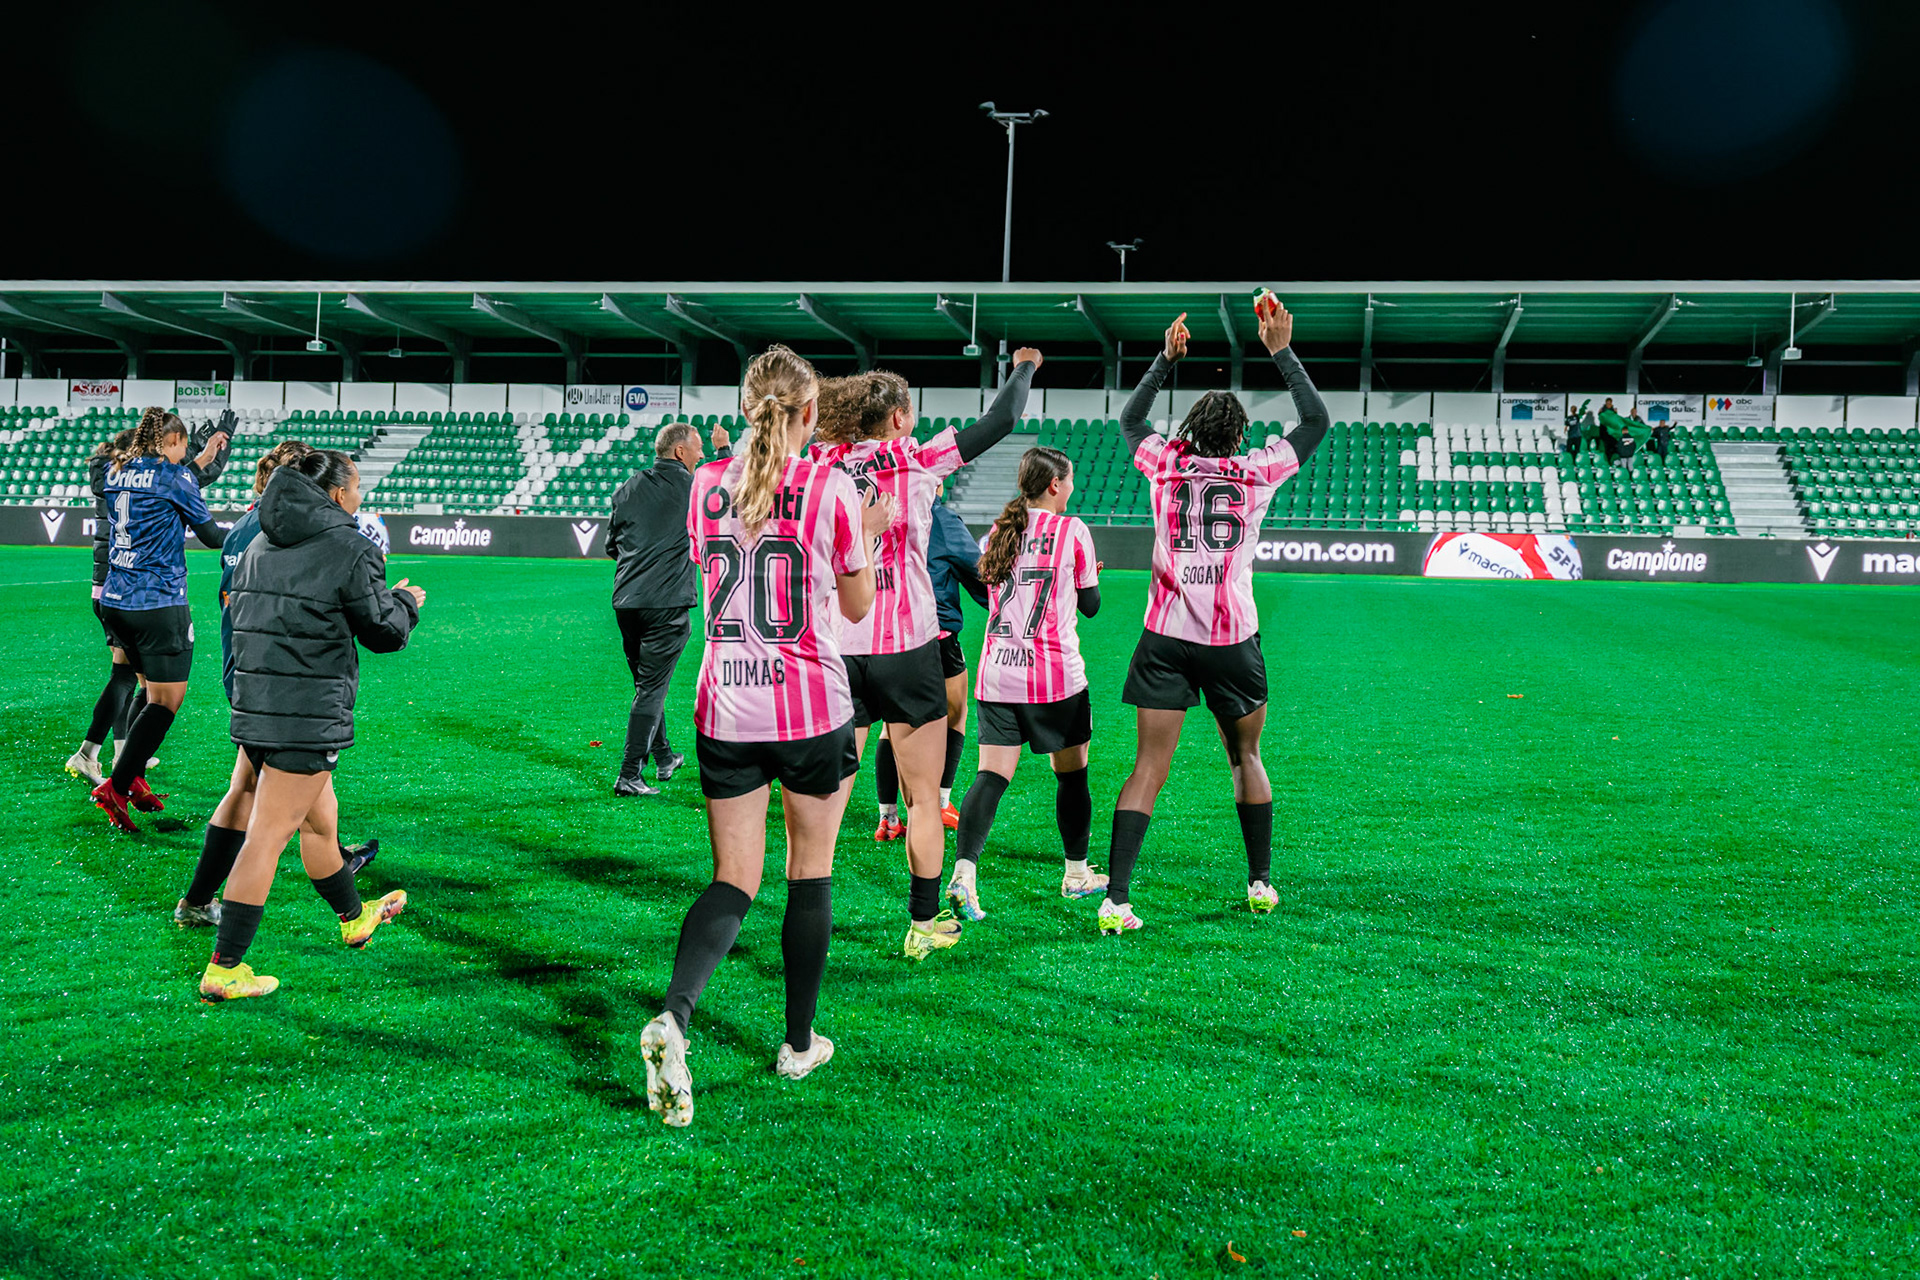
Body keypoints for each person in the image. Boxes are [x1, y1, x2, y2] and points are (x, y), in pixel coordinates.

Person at [637, 344, 895, 1128]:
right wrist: (872, 530)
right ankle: (795, 1042)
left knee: (734, 877)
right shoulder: (831, 486)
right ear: (810, 413)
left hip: (725, 709)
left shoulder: (706, 482)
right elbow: (854, 608)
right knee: (809, 870)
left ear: (746, 408)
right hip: (812, 706)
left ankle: (674, 1019)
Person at [1097, 300, 1328, 934]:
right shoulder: (1256, 471)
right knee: (1245, 758)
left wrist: (1166, 359)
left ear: (1192, 431)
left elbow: (1132, 418)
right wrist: (1280, 349)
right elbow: (1315, 420)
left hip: (1165, 636)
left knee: (1148, 767)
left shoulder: (1166, 464)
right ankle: (1259, 882)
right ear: (1239, 436)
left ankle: (1116, 898)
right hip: (1232, 638)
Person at [808, 351, 1042, 960]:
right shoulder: (916, 460)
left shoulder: (821, 462)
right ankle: (922, 923)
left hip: (839, 649)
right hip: (909, 651)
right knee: (923, 798)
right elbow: (1003, 418)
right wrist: (1022, 367)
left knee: (829, 799)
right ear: (897, 419)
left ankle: (811, 918)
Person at [199, 449, 423, 1002]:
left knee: (322, 825)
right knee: (268, 835)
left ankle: (354, 917)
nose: (361, 495)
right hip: (305, 714)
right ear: (339, 494)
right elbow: (383, 632)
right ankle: (225, 968)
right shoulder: (350, 547)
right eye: (358, 487)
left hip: (257, 704)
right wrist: (404, 603)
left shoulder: (257, 541)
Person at [173, 441, 380, 929]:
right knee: (269, 817)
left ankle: (346, 902)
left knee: (289, 803)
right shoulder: (303, 537)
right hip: (289, 683)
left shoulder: (247, 529)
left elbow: (231, 601)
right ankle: (225, 946)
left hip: (247, 671)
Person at [946, 446, 1107, 921]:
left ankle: (964, 873)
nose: (1072, 488)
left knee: (990, 777)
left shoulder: (999, 531)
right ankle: (1076, 874)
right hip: (1055, 677)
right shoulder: (1072, 530)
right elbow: (1092, 606)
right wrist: (1088, 581)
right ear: (1055, 485)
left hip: (998, 673)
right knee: (1072, 773)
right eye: (1070, 480)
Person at [88, 409, 232, 831]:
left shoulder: (116, 470)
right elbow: (211, 536)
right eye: (184, 445)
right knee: (165, 702)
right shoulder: (174, 477)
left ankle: (132, 778)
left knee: (147, 686)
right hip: (157, 602)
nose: (186, 453)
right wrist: (253, 530)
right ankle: (116, 784)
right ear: (171, 443)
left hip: (115, 597)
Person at [605, 420, 731, 796]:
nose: (702, 455)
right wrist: (724, 450)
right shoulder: (695, 488)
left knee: (647, 686)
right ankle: (629, 774)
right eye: (698, 449)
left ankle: (663, 756)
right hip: (667, 604)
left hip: (626, 602)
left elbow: (613, 546)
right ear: (680, 452)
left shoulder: (627, 487)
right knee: (651, 690)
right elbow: (730, 497)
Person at [875, 485, 986, 838]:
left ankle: (889, 817)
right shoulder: (939, 517)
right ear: (934, 484)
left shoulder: (884, 509)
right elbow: (979, 570)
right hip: (933, 633)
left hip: (885, 634)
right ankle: (939, 802)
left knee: (891, 723)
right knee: (955, 713)